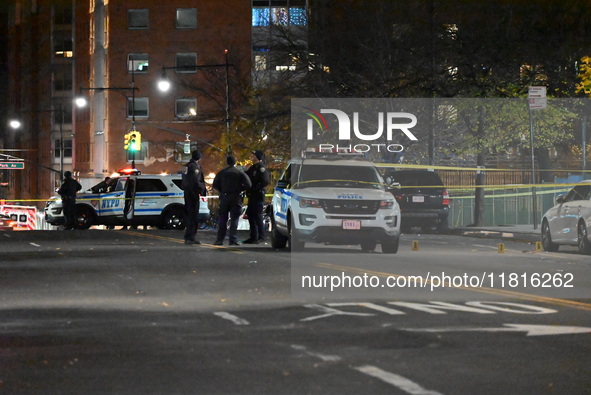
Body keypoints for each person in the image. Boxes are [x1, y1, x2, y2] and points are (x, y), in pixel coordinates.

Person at [212, 155, 251, 246]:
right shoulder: (239, 173)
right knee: (234, 219)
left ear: (227, 162)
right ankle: (232, 240)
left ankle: (219, 239)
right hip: (236, 197)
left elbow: (215, 184)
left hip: (225, 197)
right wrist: (241, 189)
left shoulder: (221, 173)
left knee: (223, 219)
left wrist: (222, 190)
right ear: (234, 162)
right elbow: (248, 184)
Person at [243, 150, 270, 244]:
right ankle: (253, 236)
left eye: (253, 155)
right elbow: (247, 178)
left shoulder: (261, 168)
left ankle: (261, 236)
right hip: (252, 195)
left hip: (258, 195)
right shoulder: (253, 167)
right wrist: (245, 171)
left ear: (257, 157)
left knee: (257, 216)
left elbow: (265, 181)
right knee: (250, 215)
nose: (252, 157)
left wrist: (255, 188)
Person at [182, 150, 207, 245]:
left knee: (189, 214)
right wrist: (201, 189)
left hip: (187, 192)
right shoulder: (194, 167)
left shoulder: (186, 166)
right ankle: (190, 236)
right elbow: (196, 181)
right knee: (193, 216)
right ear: (199, 157)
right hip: (193, 193)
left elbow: (184, 179)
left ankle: (189, 236)